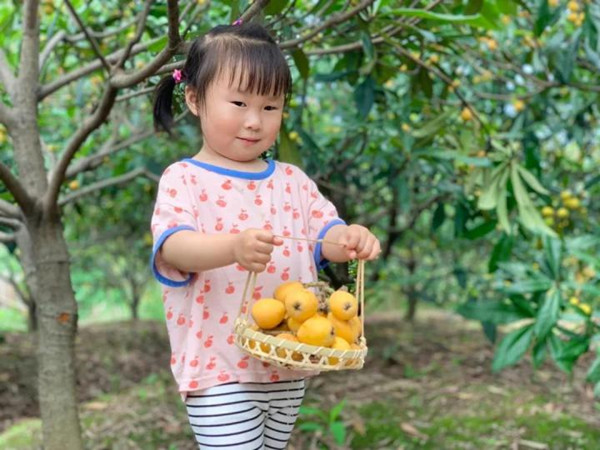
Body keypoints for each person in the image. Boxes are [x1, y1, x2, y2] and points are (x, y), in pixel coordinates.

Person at [150, 20, 381, 449]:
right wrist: (232, 247)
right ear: (195, 99)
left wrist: (352, 238)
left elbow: (326, 237)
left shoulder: (292, 181)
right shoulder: (184, 179)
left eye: (270, 107)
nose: (254, 121)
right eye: (238, 102)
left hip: (288, 360)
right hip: (219, 368)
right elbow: (175, 248)